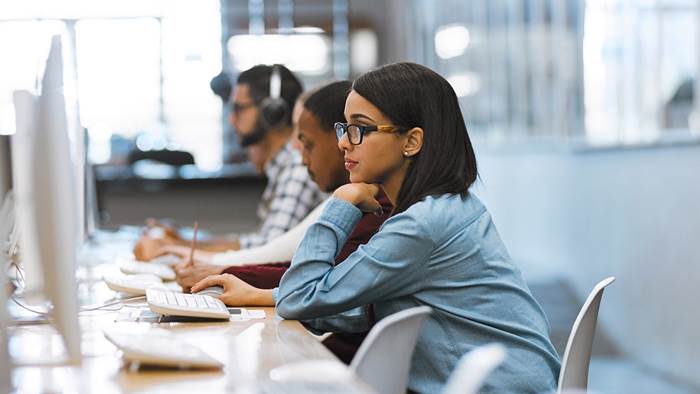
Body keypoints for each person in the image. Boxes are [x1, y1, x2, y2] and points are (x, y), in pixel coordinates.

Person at [192, 62, 561, 392]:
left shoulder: (421, 226)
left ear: (412, 141)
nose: (342, 142)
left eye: (360, 129)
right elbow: (366, 305)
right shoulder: (444, 208)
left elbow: (301, 296)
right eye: (345, 127)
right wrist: (260, 296)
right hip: (517, 379)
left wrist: (341, 203)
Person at [178, 81, 391, 363]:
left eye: (306, 141)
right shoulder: (364, 199)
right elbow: (308, 278)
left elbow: (310, 285)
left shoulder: (377, 210)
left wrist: (231, 275)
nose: (345, 143)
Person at [133, 64, 325, 259]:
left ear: (271, 112)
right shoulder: (284, 168)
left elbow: (266, 253)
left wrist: (174, 247)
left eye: (239, 109)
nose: (232, 120)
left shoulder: (297, 169)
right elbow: (257, 242)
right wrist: (181, 241)